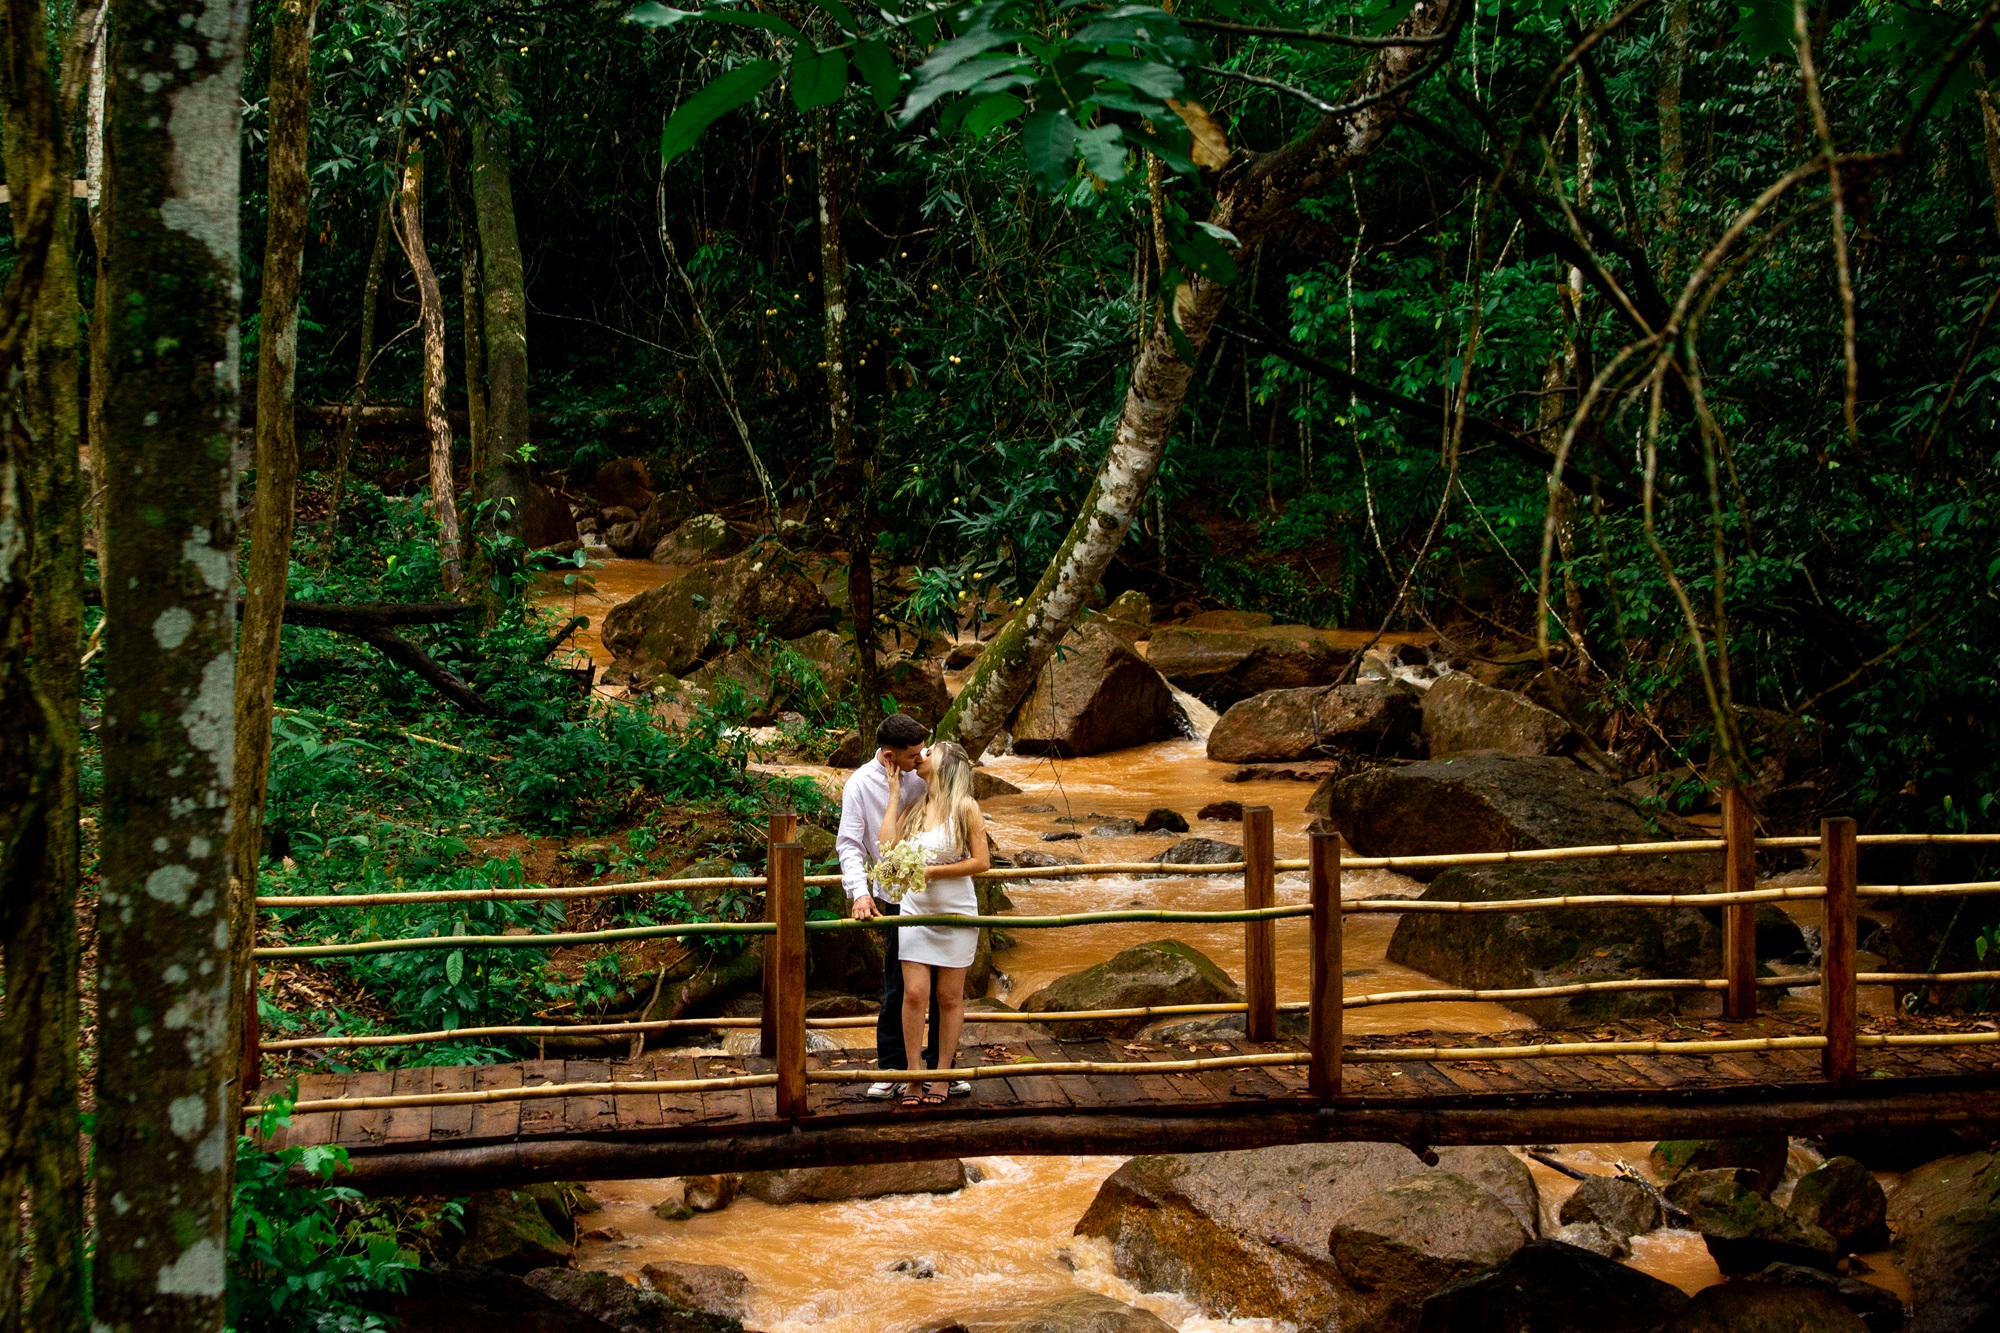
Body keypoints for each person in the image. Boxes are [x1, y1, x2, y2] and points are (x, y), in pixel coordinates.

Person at [835, 713, 948, 1099]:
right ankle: (893, 1066)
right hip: (896, 896)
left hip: (936, 890)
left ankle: (938, 1068)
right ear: (888, 756)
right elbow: (849, 843)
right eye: (912, 754)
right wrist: (860, 893)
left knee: (941, 987)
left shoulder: (926, 772)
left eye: (922, 752)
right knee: (900, 986)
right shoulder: (859, 786)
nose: (919, 759)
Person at [878, 740, 990, 1107]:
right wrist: (894, 796)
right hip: (916, 911)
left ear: (947, 765)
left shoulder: (966, 808)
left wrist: (934, 872)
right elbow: (888, 850)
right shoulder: (916, 804)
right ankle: (914, 1075)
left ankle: (941, 1075)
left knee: (949, 997)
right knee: (913, 994)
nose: (922, 757)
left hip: (956, 911)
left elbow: (981, 862)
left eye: (930, 753)